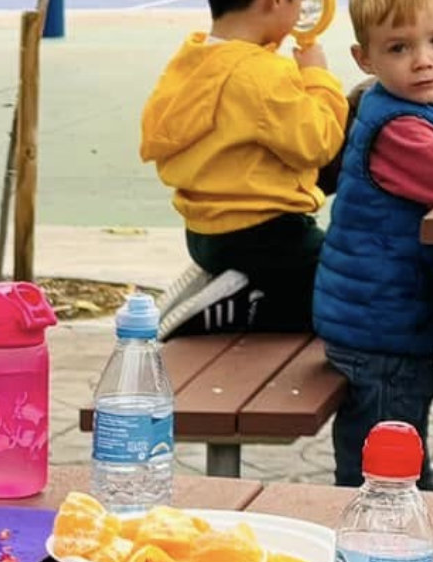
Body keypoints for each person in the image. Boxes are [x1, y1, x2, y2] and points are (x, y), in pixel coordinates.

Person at [311, 0, 433, 486]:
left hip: (389, 321)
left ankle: (408, 510)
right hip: (381, 332)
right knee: (384, 467)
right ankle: (378, 524)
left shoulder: (421, 107)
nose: (423, 61)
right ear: (365, 59)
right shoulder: (398, 129)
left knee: (398, 447)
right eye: (399, 48)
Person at [140, 0, 347, 335]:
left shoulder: (192, 59)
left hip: (205, 235)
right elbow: (319, 143)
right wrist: (317, 76)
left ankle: (231, 283)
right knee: (346, 288)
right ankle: (242, 307)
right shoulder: (261, 74)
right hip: (267, 234)